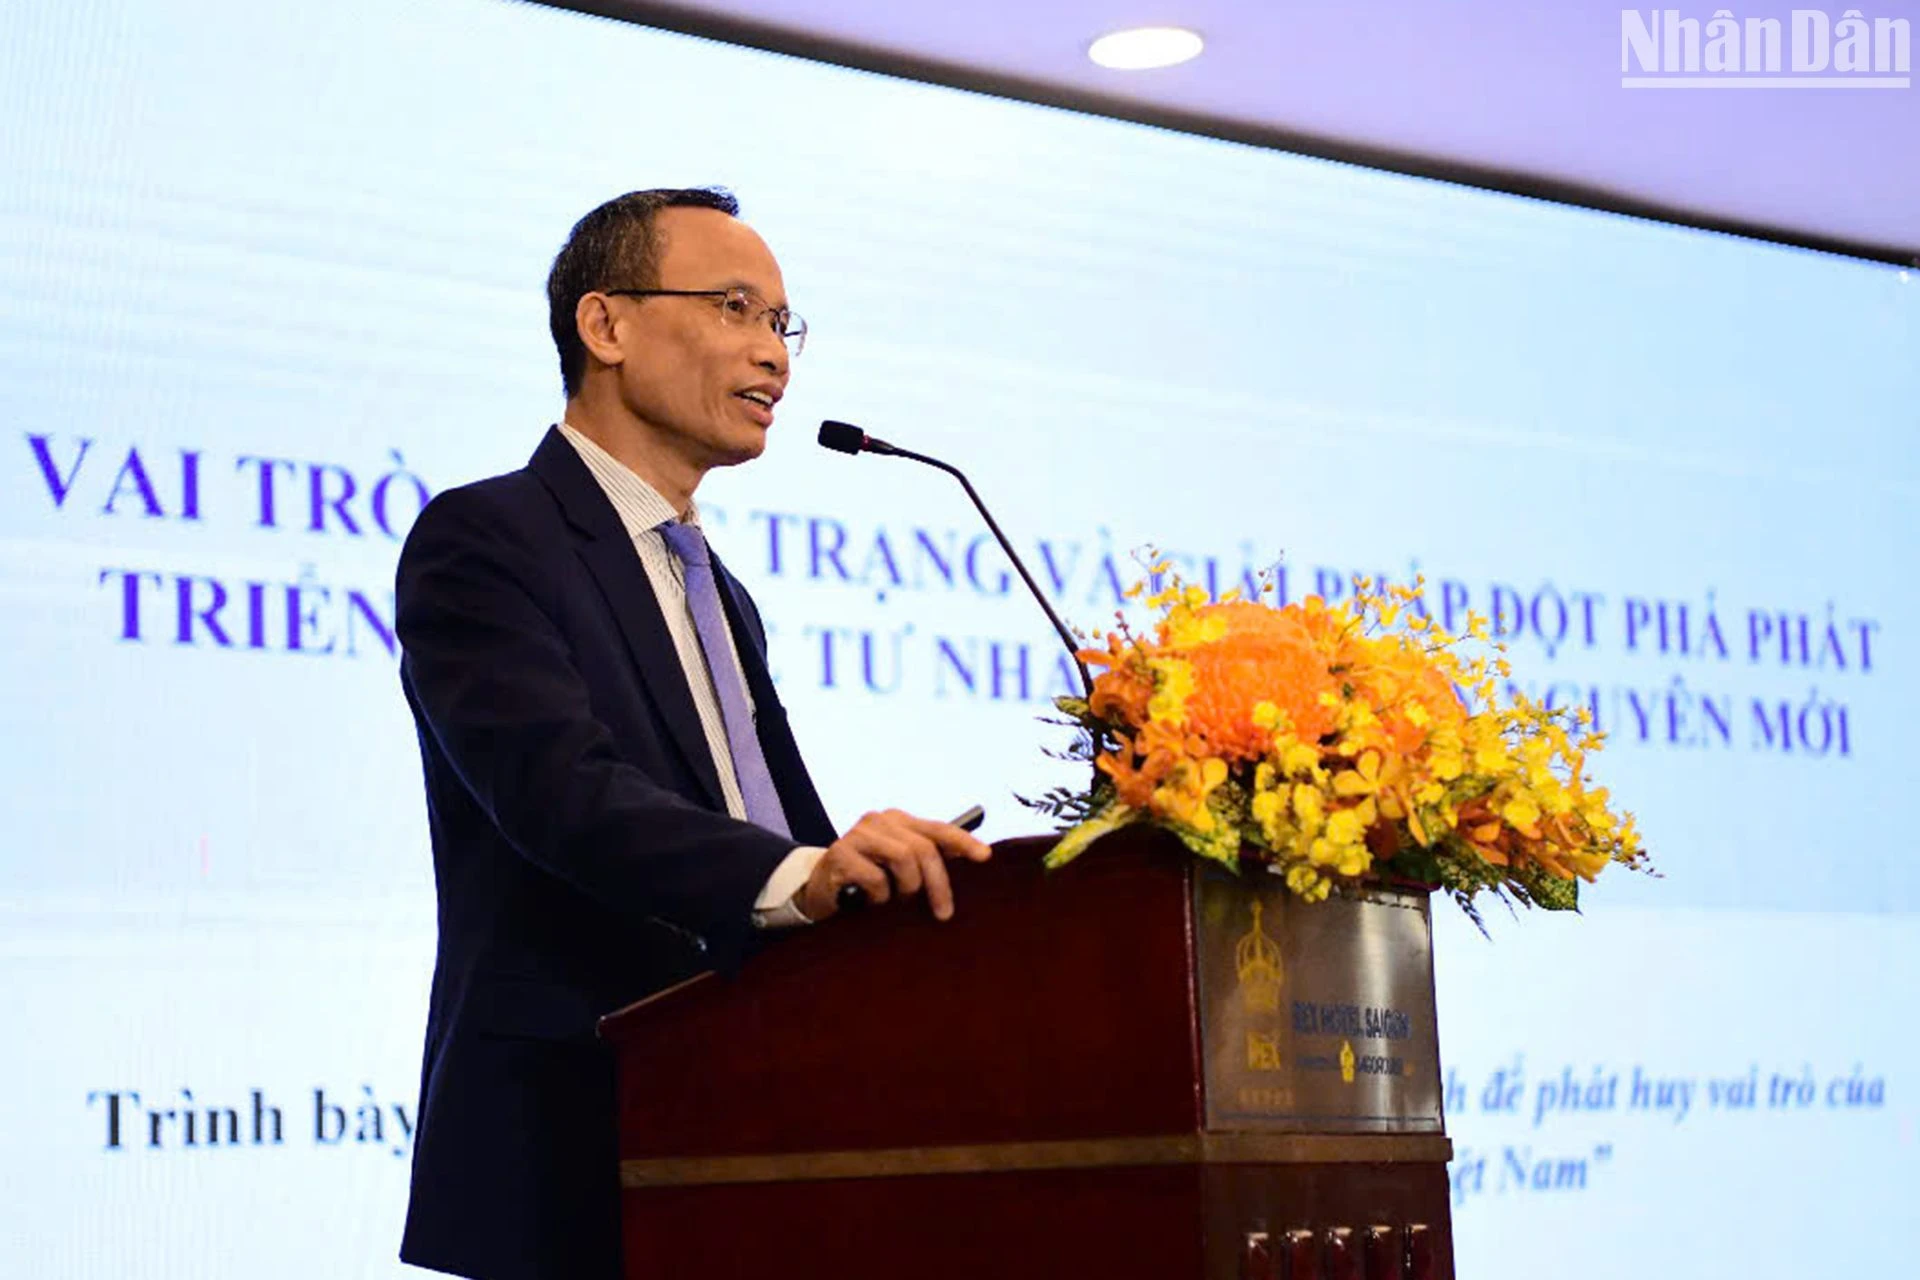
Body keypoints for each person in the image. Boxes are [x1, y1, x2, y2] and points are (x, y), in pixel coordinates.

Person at [393, 187, 991, 1280]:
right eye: (735, 308)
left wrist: (871, 884)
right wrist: (804, 875)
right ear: (606, 325)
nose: (775, 356)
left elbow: (773, 823)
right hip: (578, 1135)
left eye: (781, 324)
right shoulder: (486, 539)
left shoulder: (720, 589)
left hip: (752, 1133)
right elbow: (561, 793)